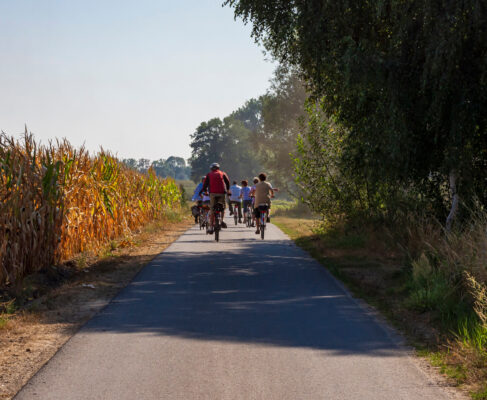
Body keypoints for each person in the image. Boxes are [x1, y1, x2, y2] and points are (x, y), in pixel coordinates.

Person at [199, 163, 231, 232]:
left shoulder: (209, 174)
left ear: (211, 169)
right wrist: (228, 190)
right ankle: (222, 220)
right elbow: (227, 182)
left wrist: (205, 191)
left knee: (212, 209)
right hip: (222, 193)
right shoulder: (222, 173)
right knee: (223, 207)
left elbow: (205, 184)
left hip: (212, 193)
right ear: (218, 168)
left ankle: (210, 227)